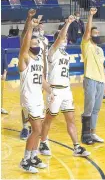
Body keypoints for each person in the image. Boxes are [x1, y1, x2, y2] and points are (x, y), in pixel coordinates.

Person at [39, 15, 90, 157]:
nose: (65, 39)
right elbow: (60, 37)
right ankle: (43, 142)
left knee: (71, 119)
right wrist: (67, 23)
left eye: (66, 38)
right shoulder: (52, 52)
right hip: (55, 90)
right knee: (49, 119)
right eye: (63, 38)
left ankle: (76, 147)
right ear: (57, 40)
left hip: (66, 90)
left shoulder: (66, 55)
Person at [19, 16, 54, 173]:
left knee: (38, 130)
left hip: (38, 98)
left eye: (37, 44)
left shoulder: (39, 61)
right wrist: (31, 27)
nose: (36, 47)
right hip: (29, 99)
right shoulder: (24, 59)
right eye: (33, 44)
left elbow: (42, 81)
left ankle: (33, 156)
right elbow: (24, 47)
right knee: (37, 129)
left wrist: (51, 91)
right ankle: (25, 160)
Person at [20, 9, 49, 140]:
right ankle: (25, 127)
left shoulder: (44, 41)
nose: (40, 24)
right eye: (38, 22)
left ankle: (34, 127)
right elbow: (25, 33)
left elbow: (44, 58)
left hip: (40, 72)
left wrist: (44, 75)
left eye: (41, 23)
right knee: (27, 102)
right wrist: (29, 19)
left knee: (37, 102)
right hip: (28, 67)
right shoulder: (29, 37)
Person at [80, 8, 105, 145]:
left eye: (98, 33)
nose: (97, 34)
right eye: (94, 32)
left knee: (96, 109)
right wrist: (91, 15)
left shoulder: (100, 49)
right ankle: (85, 135)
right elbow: (86, 32)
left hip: (100, 81)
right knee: (89, 108)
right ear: (90, 35)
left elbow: (102, 66)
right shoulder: (86, 45)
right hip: (90, 79)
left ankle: (92, 132)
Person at [1, 48, 8, 114]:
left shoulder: (1, 50)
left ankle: (0, 108)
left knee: (1, 93)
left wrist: (5, 73)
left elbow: (4, 62)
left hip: (0, 75)